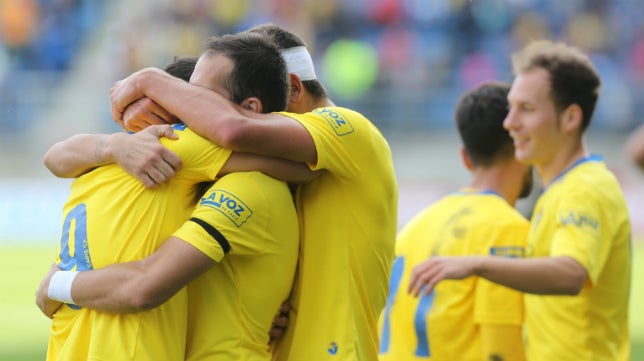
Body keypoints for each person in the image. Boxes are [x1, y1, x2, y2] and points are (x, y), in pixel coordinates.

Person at [105, 23, 398, 361]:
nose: (208, 117)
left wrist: (147, 80)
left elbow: (232, 128)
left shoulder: (350, 130)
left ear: (290, 89)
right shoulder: (282, 167)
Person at [36, 32, 305, 361]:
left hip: (67, 342)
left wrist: (56, 283)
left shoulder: (101, 160)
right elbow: (305, 163)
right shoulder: (175, 144)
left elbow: (53, 157)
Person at [408, 40, 632, 361]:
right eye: (511, 107)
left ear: (570, 119)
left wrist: (477, 263)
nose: (509, 122)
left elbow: (571, 273)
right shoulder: (561, 189)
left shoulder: (584, 187)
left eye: (526, 109)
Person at [378, 82, 530, 361]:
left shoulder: (416, 226)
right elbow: (501, 350)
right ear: (523, 147)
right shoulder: (509, 229)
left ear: (465, 157)